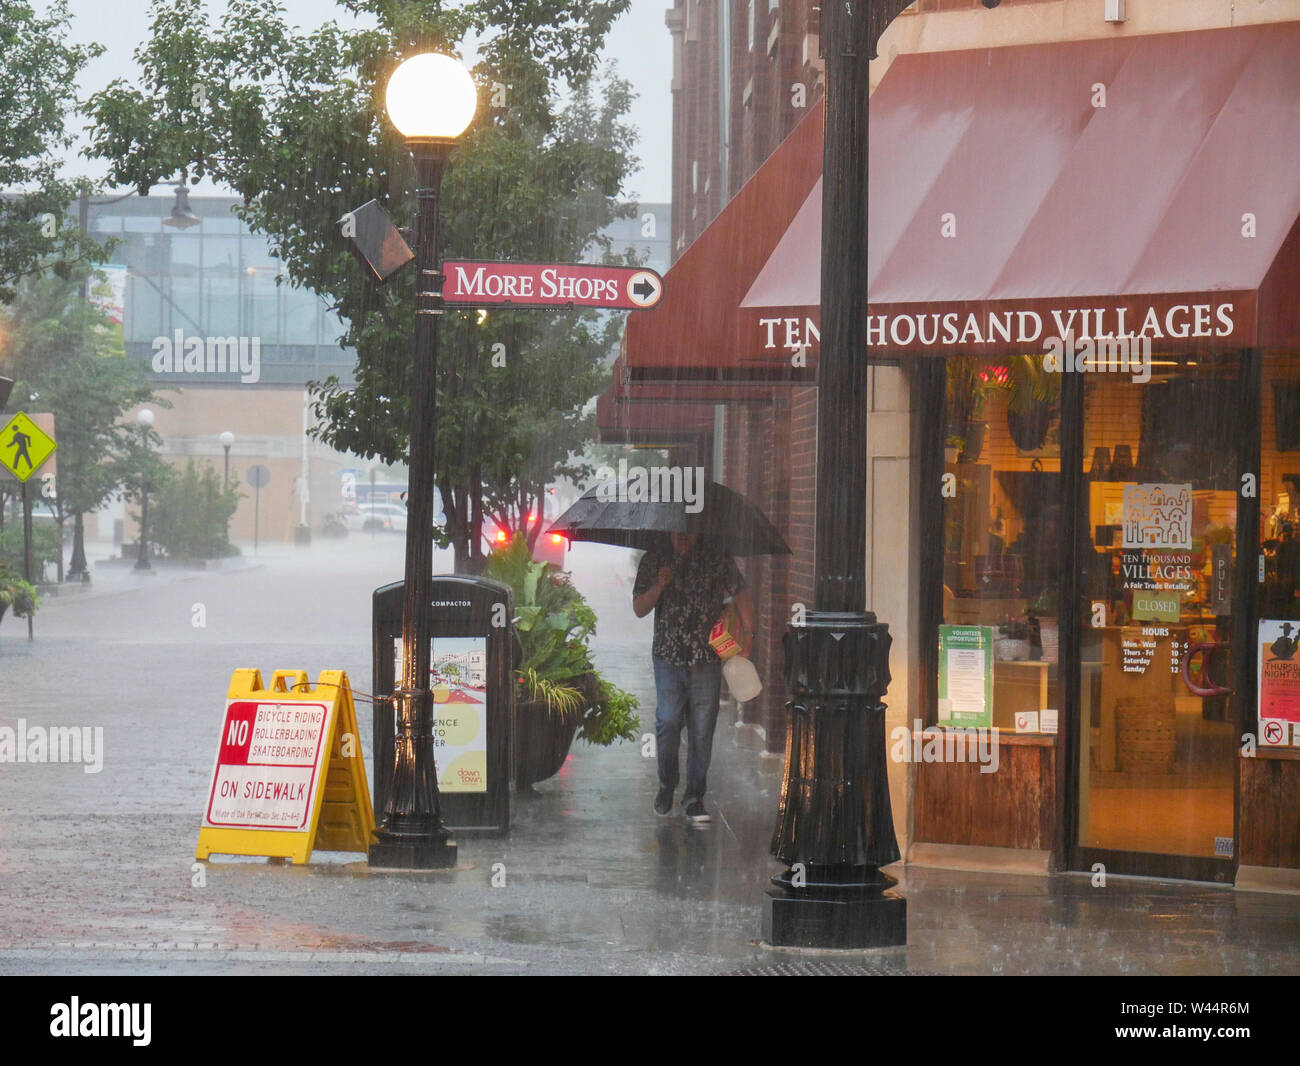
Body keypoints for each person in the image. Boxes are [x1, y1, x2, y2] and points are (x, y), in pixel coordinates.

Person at [632, 531, 754, 824]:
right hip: (668, 657)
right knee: (668, 721)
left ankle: (694, 797)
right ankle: (666, 786)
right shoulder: (654, 560)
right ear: (669, 531)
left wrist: (749, 635)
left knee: (701, 730)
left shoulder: (715, 560)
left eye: (689, 531)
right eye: (678, 532)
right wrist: (659, 585)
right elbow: (639, 608)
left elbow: (740, 594)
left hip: (706, 658)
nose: (683, 537)